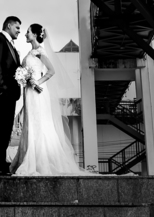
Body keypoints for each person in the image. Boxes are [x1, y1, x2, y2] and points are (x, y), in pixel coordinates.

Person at [11, 23, 97, 176]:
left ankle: (40, 161)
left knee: (40, 124)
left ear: (36, 35)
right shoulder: (31, 52)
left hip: (37, 93)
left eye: (28, 32)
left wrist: (37, 81)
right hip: (29, 93)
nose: (25, 35)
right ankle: (29, 157)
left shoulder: (39, 51)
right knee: (30, 123)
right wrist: (24, 77)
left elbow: (52, 71)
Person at [0, 15, 22, 176]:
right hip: (2, 94)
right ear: (8, 26)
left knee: (6, 130)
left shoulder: (12, 46)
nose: (19, 31)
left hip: (10, 95)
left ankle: (1, 164)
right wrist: (2, 90)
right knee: (1, 129)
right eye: (17, 28)